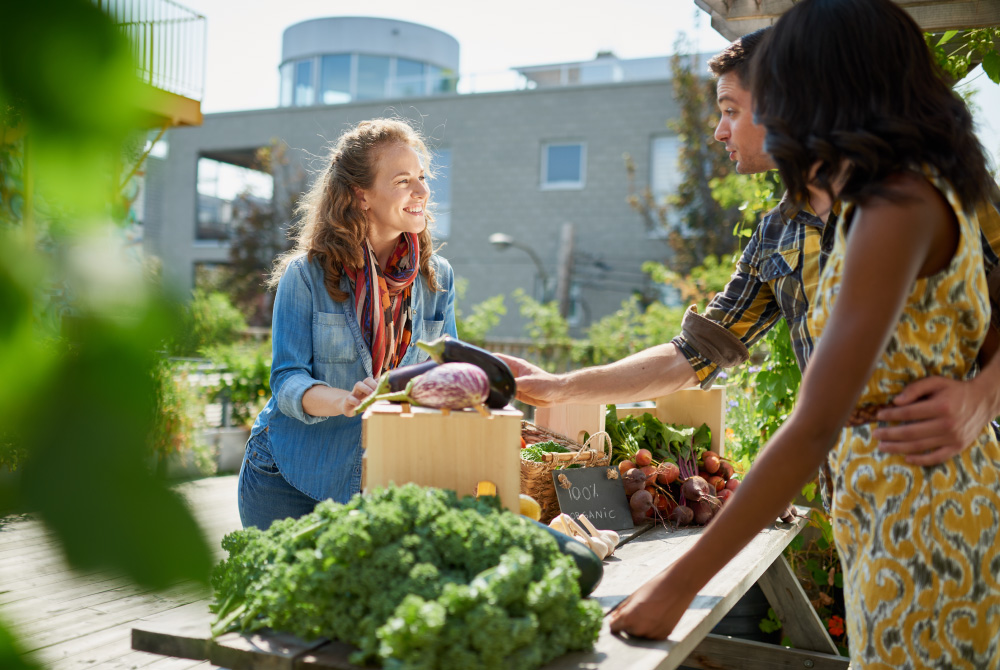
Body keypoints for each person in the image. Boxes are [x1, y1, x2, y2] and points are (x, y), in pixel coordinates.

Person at [607, 2, 1000, 667]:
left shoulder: (892, 207)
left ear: (827, 87)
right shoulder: (884, 199)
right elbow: (707, 350)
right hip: (895, 503)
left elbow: (816, 421)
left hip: (924, 514)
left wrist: (674, 588)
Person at [498, 28, 1000, 468]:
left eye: (730, 110)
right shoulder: (775, 235)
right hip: (850, 490)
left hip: (957, 481)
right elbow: (693, 354)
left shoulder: (926, 198)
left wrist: (983, 395)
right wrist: (559, 387)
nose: (719, 131)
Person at [238, 118, 457, 530]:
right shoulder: (305, 276)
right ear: (361, 195)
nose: (423, 192)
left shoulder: (436, 278)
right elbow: (287, 380)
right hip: (290, 478)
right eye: (403, 180)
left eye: (423, 178)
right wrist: (344, 400)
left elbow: (447, 370)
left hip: (386, 480)